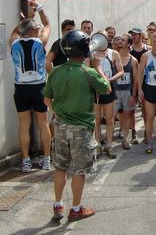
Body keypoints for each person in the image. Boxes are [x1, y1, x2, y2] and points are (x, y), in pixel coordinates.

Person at [44, 30, 111, 221]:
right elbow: (107, 88)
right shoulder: (88, 72)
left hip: (60, 126)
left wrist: (58, 111)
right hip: (81, 129)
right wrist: (97, 67)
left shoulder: (56, 71)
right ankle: (75, 209)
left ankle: (58, 206)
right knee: (79, 171)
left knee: (60, 167)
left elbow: (47, 99)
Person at [9, 0, 52, 172]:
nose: (40, 29)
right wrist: (39, 9)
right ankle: (47, 158)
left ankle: (26, 160)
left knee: (23, 124)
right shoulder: (39, 41)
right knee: (43, 123)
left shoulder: (14, 43)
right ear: (34, 30)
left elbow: (16, 30)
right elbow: (47, 24)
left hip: (21, 88)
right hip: (38, 87)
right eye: (37, 28)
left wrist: (27, 18)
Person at [92, 31, 124, 159]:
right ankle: (98, 144)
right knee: (97, 120)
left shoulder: (113, 53)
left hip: (109, 89)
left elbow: (121, 71)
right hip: (95, 90)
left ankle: (109, 144)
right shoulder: (92, 53)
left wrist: (110, 80)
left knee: (110, 119)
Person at [114, 34, 139, 148]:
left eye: (123, 40)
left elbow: (136, 79)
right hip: (115, 91)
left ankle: (125, 138)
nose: (120, 42)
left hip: (127, 91)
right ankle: (109, 139)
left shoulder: (133, 60)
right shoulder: (114, 57)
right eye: (119, 40)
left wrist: (134, 95)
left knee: (128, 114)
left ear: (129, 44)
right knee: (111, 115)